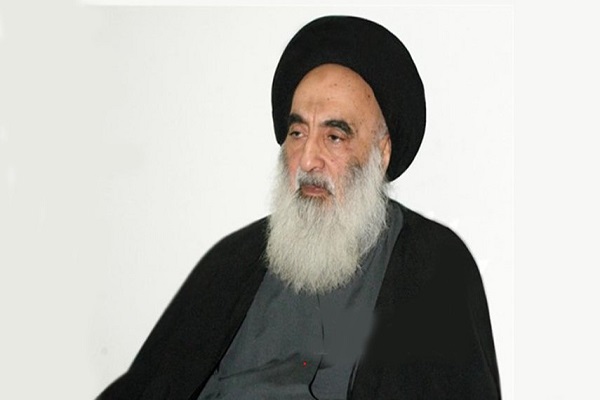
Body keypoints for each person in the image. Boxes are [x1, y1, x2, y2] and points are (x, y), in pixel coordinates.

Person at [99, 15, 501, 399]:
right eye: (296, 133)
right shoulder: (230, 264)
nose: (308, 159)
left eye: (334, 137)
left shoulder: (434, 265)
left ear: (381, 154)